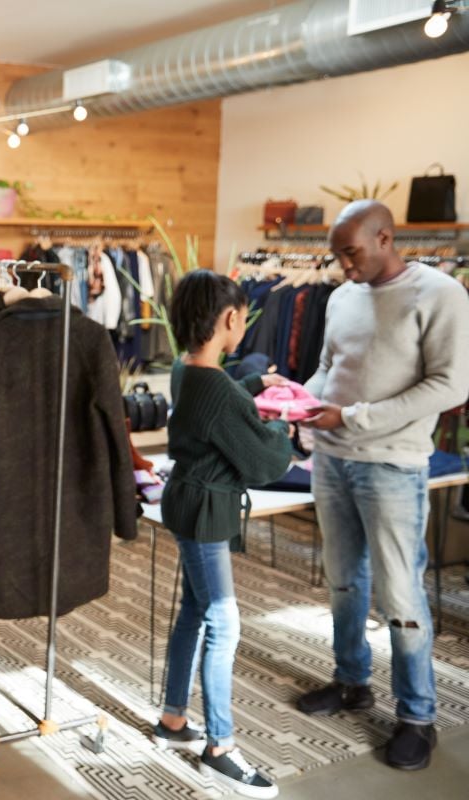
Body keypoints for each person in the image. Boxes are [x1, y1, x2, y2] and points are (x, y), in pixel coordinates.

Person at [297, 200, 469, 771]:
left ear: (385, 237)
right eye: (337, 256)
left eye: (352, 253)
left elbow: (449, 386)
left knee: (400, 593)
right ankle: (351, 681)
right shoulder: (343, 296)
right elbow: (328, 366)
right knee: (344, 582)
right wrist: (298, 398)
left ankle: (417, 716)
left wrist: (352, 416)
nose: (344, 266)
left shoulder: (441, 294)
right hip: (332, 459)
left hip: (392, 465)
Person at [154, 270, 292, 799]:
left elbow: (219, 398)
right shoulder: (214, 387)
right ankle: (220, 747)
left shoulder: (184, 370)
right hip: (205, 512)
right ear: (232, 319)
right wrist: (285, 428)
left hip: (187, 502)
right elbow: (263, 462)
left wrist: (256, 387)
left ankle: (172, 719)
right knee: (224, 623)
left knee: (195, 611)